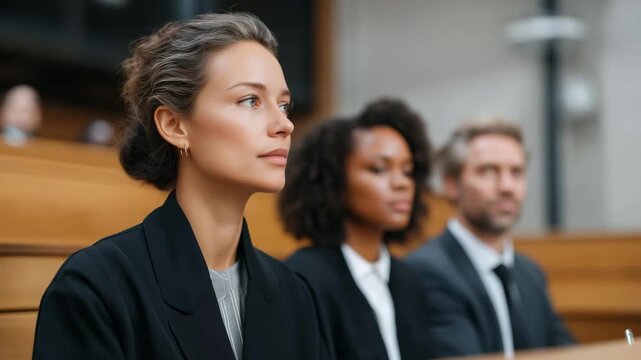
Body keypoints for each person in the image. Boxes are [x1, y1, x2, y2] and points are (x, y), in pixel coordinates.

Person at [33, 13, 332, 360]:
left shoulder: (297, 294)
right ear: (174, 125)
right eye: (251, 100)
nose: (284, 124)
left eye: (284, 105)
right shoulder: (95, 287)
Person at [405, 117, 574, 358]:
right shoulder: (425, 271)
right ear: (452, 184)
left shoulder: (531, 273)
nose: (507, 186)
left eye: (516, 172)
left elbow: (568, 352)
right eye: (488, 171)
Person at [280, 98, 434, 360]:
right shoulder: (303, 278)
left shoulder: (410, 280)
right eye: (379, 169)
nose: (401, 183)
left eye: (408, 171)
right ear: (333, 179)